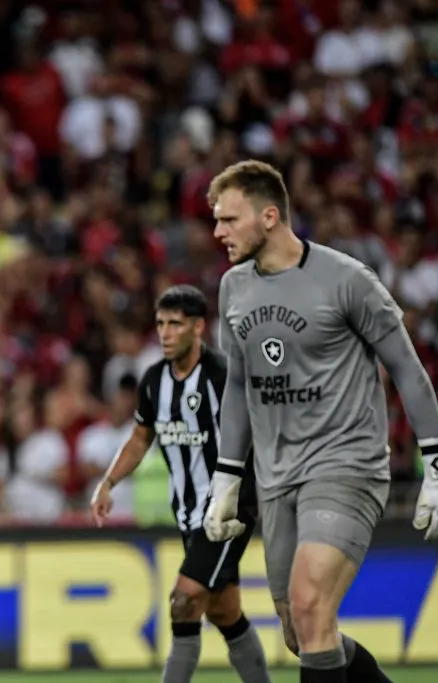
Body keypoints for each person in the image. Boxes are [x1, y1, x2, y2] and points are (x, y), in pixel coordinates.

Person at [204, 160, 438, 683]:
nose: (218, 232)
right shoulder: (233, 289)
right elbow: (237, 385)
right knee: (301, 632)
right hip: (276, 479)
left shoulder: (346, 280)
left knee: (310, 603)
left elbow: (408, 371)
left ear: (270, 216)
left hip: (345, 465)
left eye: (230, 220)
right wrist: (228, 476)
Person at [90, 285, 271, 683]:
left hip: (227, 510)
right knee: (224, 612)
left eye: (175, 324)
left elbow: (260, 432)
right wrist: (109, 482)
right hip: (188, 514)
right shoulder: (154, 379)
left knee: (183, 600)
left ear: (198, 327)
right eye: (160, 324)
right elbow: (141, 437)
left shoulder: (222, 376)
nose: (166, 333)